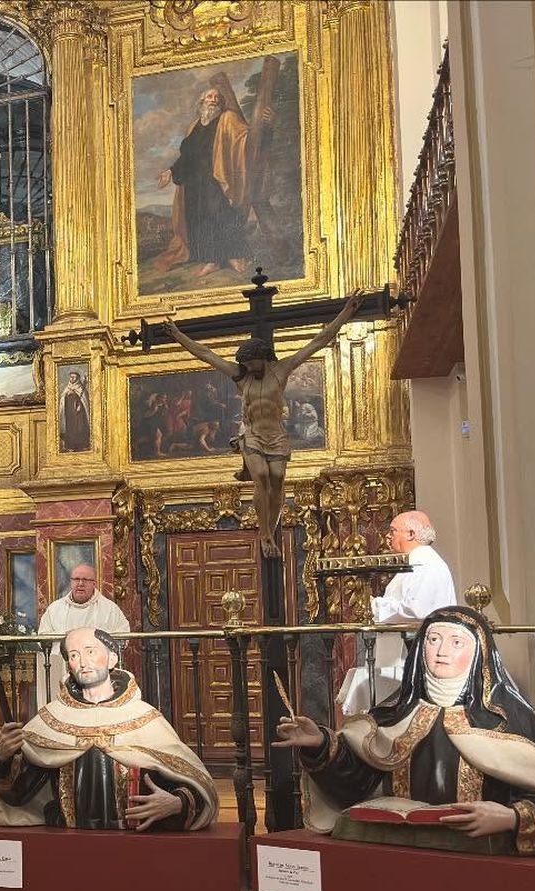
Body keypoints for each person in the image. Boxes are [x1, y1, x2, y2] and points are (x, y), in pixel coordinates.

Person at [275, 607, 535, 856]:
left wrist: (511, 817)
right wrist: (319, 744)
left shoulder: (509, 723)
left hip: (482, 863)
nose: (442, 651)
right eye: (433, 640)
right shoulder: (393, 716)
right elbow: (355, 783)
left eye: (457, 643)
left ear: (479, 654)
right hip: (396, 856)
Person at [165, 292, 360, 559]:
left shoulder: (281, 370)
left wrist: (346, 313)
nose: (247, 366)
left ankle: (271, 526)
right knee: (263, 478)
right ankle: (265, 534)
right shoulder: (241, 377)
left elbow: (318, 341)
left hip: (276, 436)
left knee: (278, 481)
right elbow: (205, 354)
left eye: (251, 362)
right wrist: (177, 334)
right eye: (244, 362)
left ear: (263, 357)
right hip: (253, 435)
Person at [0, 628, 217, 831]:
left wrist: (177, 803)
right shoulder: (50, 720)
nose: (83, 662)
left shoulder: (145, 718)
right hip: (68, 844)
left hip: (136, 845)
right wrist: (2, 757)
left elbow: (193, 782)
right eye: (74, 655)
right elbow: (18, 792)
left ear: (112, 659)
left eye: (90, 651)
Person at [337, 510, 457, 715]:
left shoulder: (426, 564)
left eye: (393, 531)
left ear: (411, 534)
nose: (388, 536)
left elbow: (417, 609)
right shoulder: (415, 562)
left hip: (413, 652)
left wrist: (374, 607)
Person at [154, 78, 252, 277]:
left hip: (216, 178)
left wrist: (262, 126)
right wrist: (170, 171)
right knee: (199, 219)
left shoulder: (227, 118)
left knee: (222, 214)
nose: (213, 100)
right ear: (202, 102)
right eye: (209, 96)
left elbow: (245, 137)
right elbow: (187, 156)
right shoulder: (194, 126)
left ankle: (234, 255)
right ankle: (211, 260)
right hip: (194, 183)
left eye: (217, 97)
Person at [36, 564, 132, 705]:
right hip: (62, 669)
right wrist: (65, 638)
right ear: (71, 582)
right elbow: (42, 638)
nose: (80, 584)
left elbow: (123, 637)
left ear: (94, 583)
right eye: (76, 579)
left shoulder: (109, 609)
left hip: (98, 675)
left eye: (85, 580)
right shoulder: (55, 609)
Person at [59, 371, 91, 452]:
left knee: (80, 428)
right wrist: (66, 395)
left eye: (74, 377)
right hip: (69, 413)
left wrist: (80, 406)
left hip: (79, 413)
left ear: (77, 378)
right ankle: (70, 446)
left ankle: (82, 445)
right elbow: (62, 400)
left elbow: (84, 400)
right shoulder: (67, 388)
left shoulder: (80, 388)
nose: (72, 379)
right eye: (71, 377)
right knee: (70, 429)